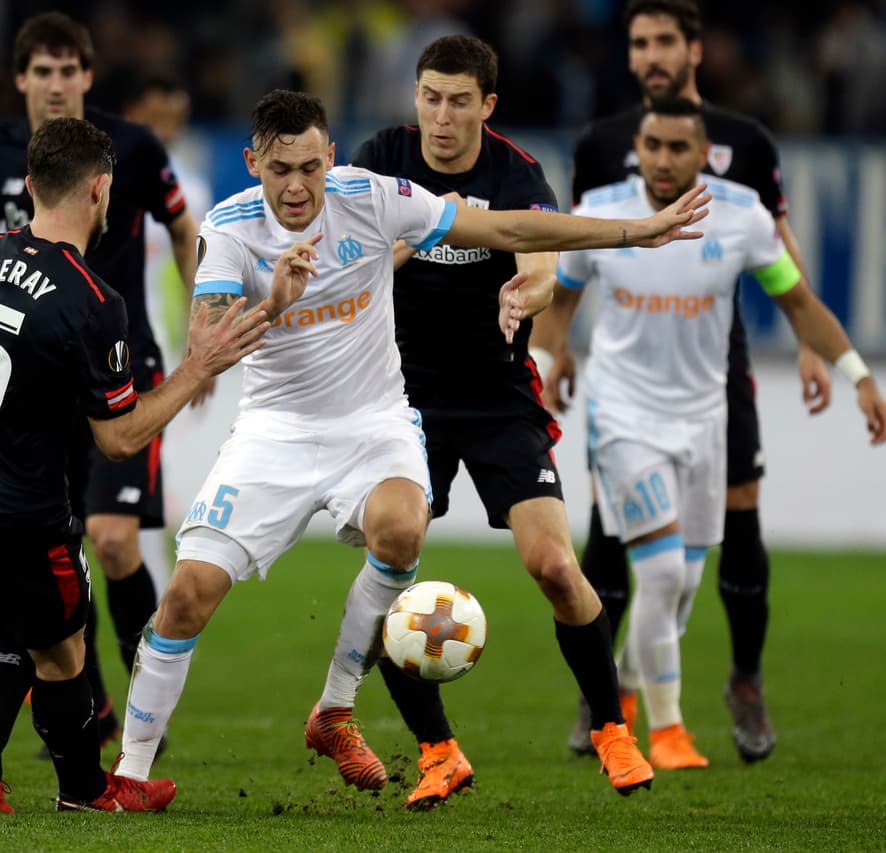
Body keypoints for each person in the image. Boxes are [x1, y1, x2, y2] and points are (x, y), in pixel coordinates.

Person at [113, 88, 709, 798]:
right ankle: (130, 774)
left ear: (331, 157)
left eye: (310, 166)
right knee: (185, 596)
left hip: (374, 422)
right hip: (274, 432)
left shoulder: (373, 198)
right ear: (252, 164)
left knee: (401, 528)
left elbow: (512, 229)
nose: (297, 186)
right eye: (279, 170)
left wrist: (631, 233)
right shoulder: (231, 227)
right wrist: (274, 301)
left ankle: (334, 708)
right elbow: (208, 343)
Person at [0, 116, 268, 813]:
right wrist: (199, 366)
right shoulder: (95, 300)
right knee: (65, 649)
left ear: (30, 184)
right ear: (100, 189)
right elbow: (120, 439)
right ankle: (85, 790)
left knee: (16, 620)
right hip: (21, 510)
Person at [543, 95, 886, 770]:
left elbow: (797, 302)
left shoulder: (742, 218)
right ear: (637, 148)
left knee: (679, 588)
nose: (664, 159)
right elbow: (560, 295)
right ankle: (665, 733)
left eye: (679, 148)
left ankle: (624, 675)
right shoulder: (601, 213)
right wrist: (555, 353)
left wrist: (859, 375)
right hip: (621, 416)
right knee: (663, 568)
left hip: (706, 420)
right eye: (653, 145)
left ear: (704, 153)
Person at [349, 34, 649, 809]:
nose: (441, 117)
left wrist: (530, 294)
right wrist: (397, 254)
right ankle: (438, 749)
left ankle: (613, 728)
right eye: (429, 98)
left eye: (458, 101)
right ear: (415, 98)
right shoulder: (381, 157)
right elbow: (347, 258)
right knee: (394, 558)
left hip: (497, 396)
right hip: (400, 399)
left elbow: (542, 257)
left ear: (487, 105)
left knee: (553, 565)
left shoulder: (516, 174)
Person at [0, 13, 198, 733]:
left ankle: (151, 700)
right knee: (55, 552)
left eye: (69, 71)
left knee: (115, 540)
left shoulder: (137, 147)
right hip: (34, 386)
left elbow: (184, 229)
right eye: (43, 71)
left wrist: (203, 322)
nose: (57, 84)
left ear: (87, 76)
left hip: (122, 369)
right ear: (21, 79)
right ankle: (92, 708)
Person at [119, 72, 216, 598]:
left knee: (141, 496)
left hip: (148, 358)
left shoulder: (191, 187)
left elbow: (193, 269)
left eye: (174, 119)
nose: (166, 129)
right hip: (103, 351)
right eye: (157, 117)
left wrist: (193, 351)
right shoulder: (109, 173)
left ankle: (159, 617)